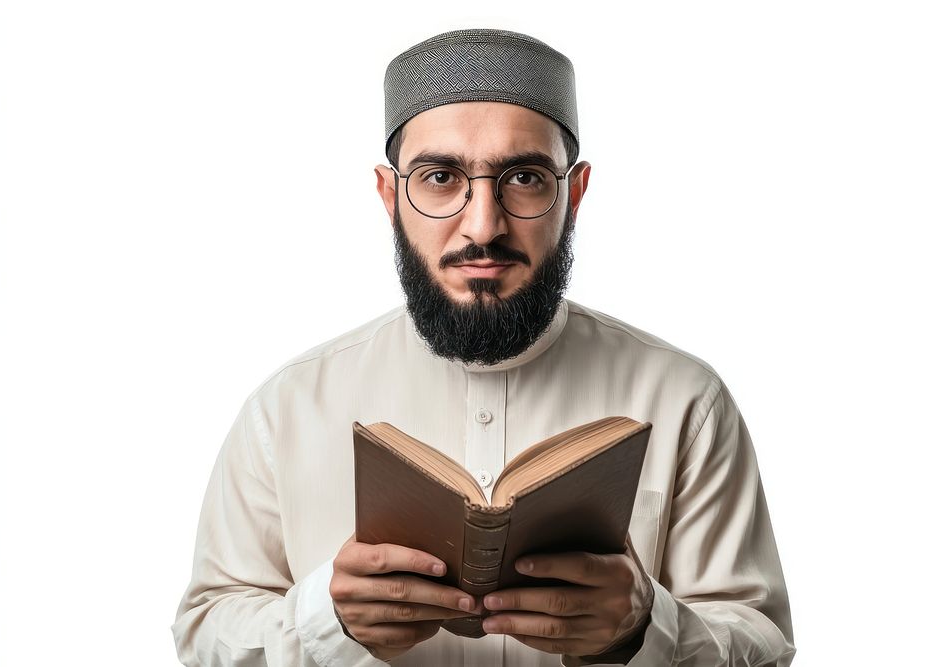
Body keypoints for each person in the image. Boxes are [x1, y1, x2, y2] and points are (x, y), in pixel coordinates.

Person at [171, 27, 796, 667]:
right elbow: (204, 637)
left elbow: (763, 645)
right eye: (440, 177)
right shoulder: (286, 408)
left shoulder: (688, 400)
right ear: (391, 198)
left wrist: (643, 626)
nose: (482, 226)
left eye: (523, 177)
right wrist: (326, 620)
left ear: (574, 196)